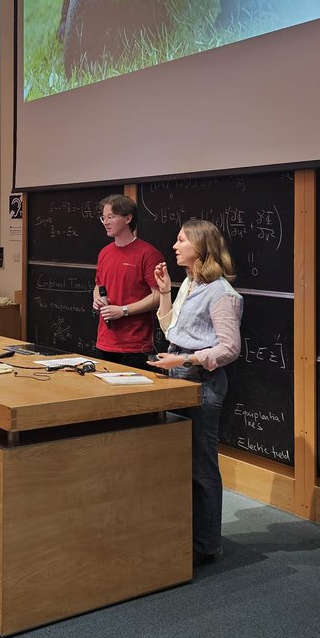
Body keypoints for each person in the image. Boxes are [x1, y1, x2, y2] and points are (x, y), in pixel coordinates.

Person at [149, 219, 243, 566]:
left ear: (200, 247)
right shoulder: (190, 282)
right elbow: (171, 327)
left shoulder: (222, 293)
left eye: (180, 240)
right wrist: (164, 293)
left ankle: (205, 546)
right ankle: (185, 533)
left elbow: (230, 348)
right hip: (178, 375)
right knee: (177, 460)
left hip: (201, 383)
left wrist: (186, 358)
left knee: (201, 466)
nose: (174, 246)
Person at [91, 194, 164, 369]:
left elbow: (160, 296)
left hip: (135, 345)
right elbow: (99, 284)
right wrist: (97, 299)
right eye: (103, 218)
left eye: (111, 217)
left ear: (128, 218)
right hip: (105, 341)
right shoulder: (104, 252)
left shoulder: (148, 254)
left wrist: (123, 311)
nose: (106, 222)